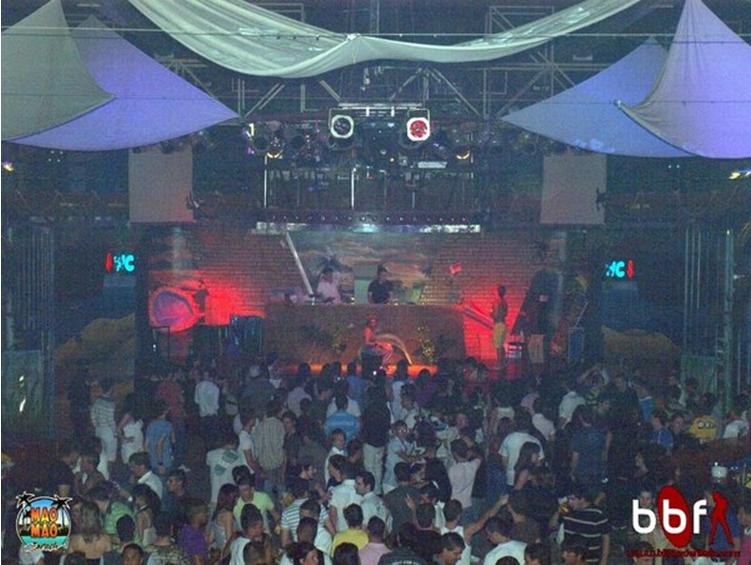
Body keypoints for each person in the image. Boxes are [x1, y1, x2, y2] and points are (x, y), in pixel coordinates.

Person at [91, 378, 118, 477]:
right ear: (111, 388)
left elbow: (92, 414)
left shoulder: (97, 401)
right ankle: (107, 477)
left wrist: (96, 426)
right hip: (109, 432)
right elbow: (111, 420)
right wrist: (115, 433)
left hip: (99, 430)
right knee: (110, 457)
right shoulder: (110, 403)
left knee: (101, 454)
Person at [145, 399, 175, 478]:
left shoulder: (150, 425)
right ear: (165, 411)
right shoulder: (167, 425)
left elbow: (146, 445)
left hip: (152, 462)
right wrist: (160, 463)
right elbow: (159, 444)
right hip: (164, 461)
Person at [210, 484, 239, 560]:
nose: (238, 499)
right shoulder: (228, 515)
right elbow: (229, 539)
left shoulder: (217, 512)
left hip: (221, 552)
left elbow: (210, 538)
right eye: (236, 496)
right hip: (228, 554)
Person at [177, 499, 209, 565]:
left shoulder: (184, 529)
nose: (207, 514)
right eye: (205, 512)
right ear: (198, 515)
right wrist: (215, 558)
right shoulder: (196, 536)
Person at [118, 393, 144, 466]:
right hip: (130, 446)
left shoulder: (135, 414)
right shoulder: (128, 415)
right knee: (131, 466)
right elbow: (118, 428)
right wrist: (124, 439)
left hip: (138, 444)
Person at [492, 285, 509, 369]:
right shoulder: (505, 302)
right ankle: (504, 362)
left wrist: (490, 314)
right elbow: (505, 314)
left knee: (498, 346)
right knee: (501, 345)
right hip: (503, 324)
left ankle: (499, 365)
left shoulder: (496, 302)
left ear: (498, 292)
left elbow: (495, 315)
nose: (493, 292)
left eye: (495, 290)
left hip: (498, 325)